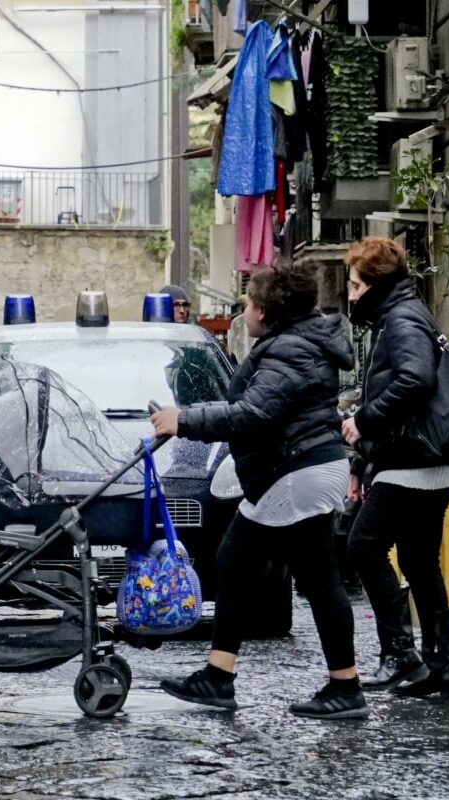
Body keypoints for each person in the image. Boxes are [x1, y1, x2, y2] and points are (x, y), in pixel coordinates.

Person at [151, 264, 367, 719]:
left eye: (249, 303)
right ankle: (225, 676)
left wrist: (183, 420)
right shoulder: (296, 344)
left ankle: (334, 688)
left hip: (296, 473)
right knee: (274, 567)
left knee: (297, 574)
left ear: (267, 312)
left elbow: (251, 414)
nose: (244, 310)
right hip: (300, 470)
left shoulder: (289, 351)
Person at [341, 237, 449, 698]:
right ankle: (440, 666)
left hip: (415, 463)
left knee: (364, 546)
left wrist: (363, 421)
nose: (351, 295)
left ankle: (400, 653)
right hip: (430, 462)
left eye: (355, 285)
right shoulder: (404, 313)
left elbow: (416, 379)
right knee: (417, 559)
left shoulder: (401, 320)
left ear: (375, 283)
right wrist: (363, 458)